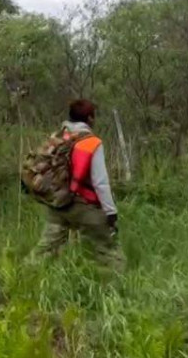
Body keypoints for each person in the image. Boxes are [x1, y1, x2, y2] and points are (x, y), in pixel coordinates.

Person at [33, 99, 124, 270]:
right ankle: (118, 287)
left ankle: (21, 278)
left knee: (44, 251)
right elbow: (100, 182)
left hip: (58, 203)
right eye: (93, 117)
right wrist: (111, 212)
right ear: (89, 119)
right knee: (109, 253)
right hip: (83, 205)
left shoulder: (59, 137)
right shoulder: (92, 142)